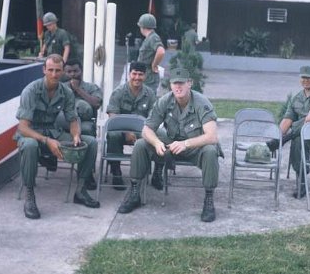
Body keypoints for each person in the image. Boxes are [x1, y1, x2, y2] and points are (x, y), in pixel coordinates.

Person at [118, 68, 220, 222]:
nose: (178, 87)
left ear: (190, 84)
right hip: (171, 145)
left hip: (195, 147)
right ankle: (134, 193)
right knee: (141, 144)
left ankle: (209, 200)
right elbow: (147, 130)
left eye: (182, 83)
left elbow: (212, 136)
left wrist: (186, 144)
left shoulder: (201, 103)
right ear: (170, 86)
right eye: (174, 84)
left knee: (211, 151)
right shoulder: (165, 101)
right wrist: (157, 142)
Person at [15, 54, 100, 220]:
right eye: (51, 70)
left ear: (63, 72)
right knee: (31, 145)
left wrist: (76, 135)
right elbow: (22, 127)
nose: (54, 74)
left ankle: (81, 190)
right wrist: (47, 141)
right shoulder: (31, 91)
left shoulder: (66, 92)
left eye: (58, 71)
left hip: (54, 132)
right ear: (44, 70)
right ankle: (30, 196)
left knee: (89, 142)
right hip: (31, 133)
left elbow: (73, 119)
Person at [270, 66, 310, 198]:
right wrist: (277, 134)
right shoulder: (296, 98)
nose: (305, 80)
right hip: (308, 136)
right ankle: (301, 181)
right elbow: (287, 120)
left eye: (309, 77)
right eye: (303, 77)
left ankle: (285, 140)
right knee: (299, 139)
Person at [105, 61, 157, 190]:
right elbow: (113, 115)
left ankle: (146, 173)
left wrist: (146, 131)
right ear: (129, 74)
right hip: (121, 130)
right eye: (134, 74)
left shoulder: (150, 94)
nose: (137, 78)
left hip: (142, 131)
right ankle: (116, 171)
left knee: (155, 137)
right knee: (113, 135)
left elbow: (153, 116)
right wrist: (126, 131)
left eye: (140, 74)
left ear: (145, 76)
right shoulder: (119, 92)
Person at [63, 59, 102, 137]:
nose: (73, 74)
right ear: (64, 73)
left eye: (76, 71)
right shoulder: (60, 88)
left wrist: (78, 89)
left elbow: (97, 103)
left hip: (85, 121)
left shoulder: (91, 87)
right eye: (69, 72)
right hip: (65, 120)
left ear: (81, 71)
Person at [136, 13, 165, 93]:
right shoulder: (150, 37)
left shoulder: (153, 37)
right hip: (145, 74)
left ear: (142, 27)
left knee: (148, 99)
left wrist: (154, 65)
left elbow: (161, 51)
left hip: (149, 75)